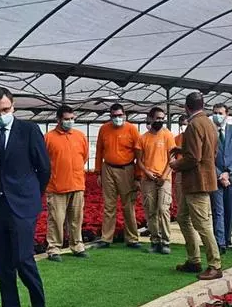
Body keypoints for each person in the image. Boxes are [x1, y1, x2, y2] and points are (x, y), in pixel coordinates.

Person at [0, 87, 51, 307]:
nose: (1, 115)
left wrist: (32, 195)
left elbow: (44, 168)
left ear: (13, 106)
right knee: (2, 263)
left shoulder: (28, 130)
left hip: (23, 205)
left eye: (5, 110)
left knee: (23, 259)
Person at [169, 92, 223, 280]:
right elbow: (209, 150)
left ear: (186, 107)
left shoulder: (193, 125)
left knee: (202, 224)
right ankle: (194, 260)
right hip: (200, 179)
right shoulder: (208, 123)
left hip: (196, 181)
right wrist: (182, 149)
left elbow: (194, 158)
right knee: (183, 217)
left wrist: (177, 164)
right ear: (203, 105)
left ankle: (215, 265)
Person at [44, 105, 89, 262]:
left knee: (76, 218)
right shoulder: (48, 138)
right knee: (56, 219)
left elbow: (84, 157)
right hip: (56, 187)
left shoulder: (80, 136)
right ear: (58, 119)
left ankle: (77, 246)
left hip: (77, 184)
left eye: (72, 119)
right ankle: (54, 248)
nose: (70, 121)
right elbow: (43, 161)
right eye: (66, 119)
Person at [94, 103, 141, 249]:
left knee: (128, 205)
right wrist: (98, 172)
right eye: (114, 116)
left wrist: (138, 176)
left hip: (127, 169)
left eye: (120, 115)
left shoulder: (132, 129)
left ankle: (132, 238)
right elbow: (99, 150)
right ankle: (106, 238)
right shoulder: (104, 129)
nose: (117, 118)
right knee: (109, 205)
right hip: (108, 168)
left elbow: (139, 154)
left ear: (124, 115)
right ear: (110, 116)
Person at [136, 106, 176, 254]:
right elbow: (139, 161)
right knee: (150, 211)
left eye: (162, 118)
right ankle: (155, 240)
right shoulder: (143, 138)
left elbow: (172, 159)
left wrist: (164, 176)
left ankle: (166, 241)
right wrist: (147, 172)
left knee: (164, 209)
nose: (160, 121)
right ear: (150, 119)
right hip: (148, 180)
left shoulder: (168, 135)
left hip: (164, 179)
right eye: (157, 118)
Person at [209, 103, 232, 254]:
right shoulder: (209, 132)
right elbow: (207, 157)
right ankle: (220, 242)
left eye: (220, 113)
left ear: (227, 114)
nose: (217, 115)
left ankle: (227, 238)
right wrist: (219, 174)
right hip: (215, 177)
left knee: (229, 210)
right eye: (215, 113)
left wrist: (228, 172)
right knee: (218, 210)